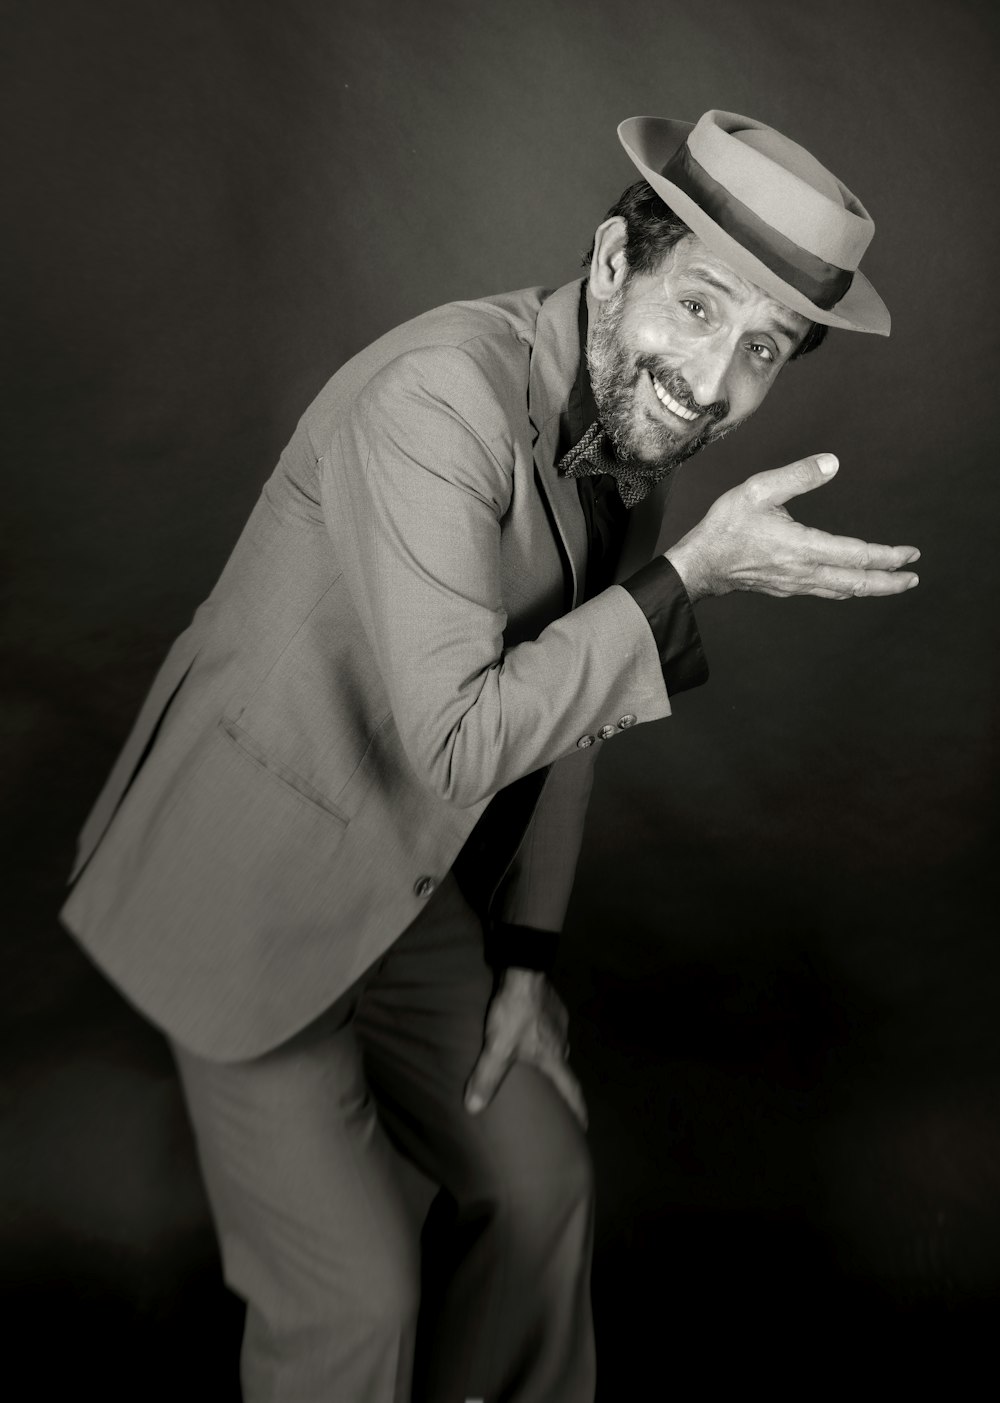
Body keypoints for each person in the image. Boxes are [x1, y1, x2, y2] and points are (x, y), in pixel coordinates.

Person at [61, 109, 919, 1401]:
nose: (713, 380)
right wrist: (689, 580)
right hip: (244, 881)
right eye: (699, 309)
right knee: (353, 1297)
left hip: (408, 888)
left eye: (761, 350)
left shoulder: (637, 448)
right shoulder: (434, 400)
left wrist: (525, 956)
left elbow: (576, 712)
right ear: (613, 262)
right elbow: (466, 737)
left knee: (542, 1179)